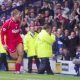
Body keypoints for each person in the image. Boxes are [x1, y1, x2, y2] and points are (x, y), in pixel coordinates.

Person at [1, 9, 24, 74]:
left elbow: (20, 23)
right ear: (14, 15)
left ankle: (17, 70)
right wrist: (3, 44)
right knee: (15, 57)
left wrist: (21, 17)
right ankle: (9, 51)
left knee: (21, 54)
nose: (19, 15)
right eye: (18, 14)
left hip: (18, 39)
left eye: (19, 14)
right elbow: (2, 33)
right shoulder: (7, 23)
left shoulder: (19, 21)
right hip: (10, 42)